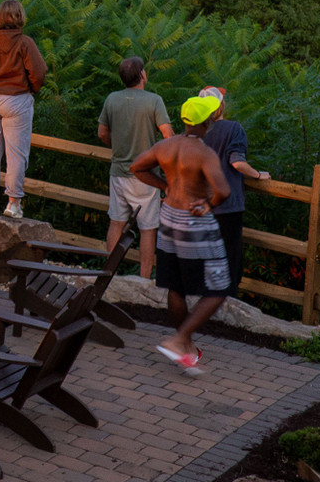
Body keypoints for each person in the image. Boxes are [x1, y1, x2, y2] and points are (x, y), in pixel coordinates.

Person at [128, 94, 232, 376]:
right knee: (219, 287)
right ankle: (178, 339)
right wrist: (208, 204)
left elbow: (136, 166)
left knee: (175, 286)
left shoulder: (165, 145)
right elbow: (223, 190)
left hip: (168, 217)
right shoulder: (204, 153)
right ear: (208, 121)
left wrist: (164, 186)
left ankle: (185, 346)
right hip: (194, 221)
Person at [97, 56, 173, 277]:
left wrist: (118, 146)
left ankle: (108, 276)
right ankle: (143, 278)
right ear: (142, 75)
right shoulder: (154, 101)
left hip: (118, 172)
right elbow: (168, 135)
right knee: (148, 229)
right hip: (146, 176)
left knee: (116, 223)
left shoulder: (112, 99)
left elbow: (102, 133)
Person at [0, 0, 47, 220]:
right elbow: (39, 72)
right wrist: (31, 89)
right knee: (16, 155)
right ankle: (13, 204)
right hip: (15, 99)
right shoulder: (25, 43)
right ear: (20, 17)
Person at [193, 86, 269, 299]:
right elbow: (236, 162)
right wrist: (257, 175)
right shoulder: (233, 129)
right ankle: (226, 306)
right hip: (228, 205)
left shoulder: (195, 132)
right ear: (221, 105)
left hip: (201, 205)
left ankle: (202, 302)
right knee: (230, 258)